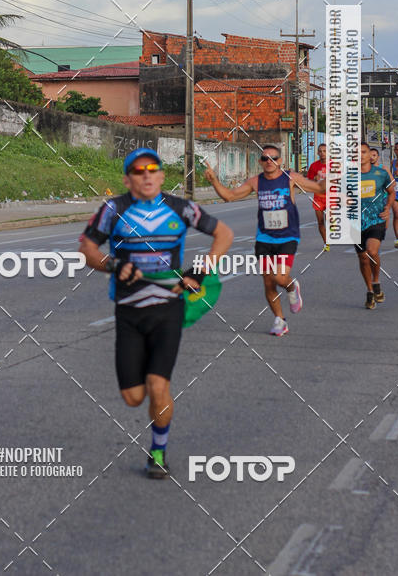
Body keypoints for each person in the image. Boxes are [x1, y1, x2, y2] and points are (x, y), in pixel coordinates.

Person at [79, 147, 233, 479]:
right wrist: (113, 265)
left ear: (162, 176)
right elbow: (88, 248)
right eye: (138, 170)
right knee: (134, 397)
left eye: (153, 169)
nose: (146, 175)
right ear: (127, 178)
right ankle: (152, 394)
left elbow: (224, 234)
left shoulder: (181, 208)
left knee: (158, 384)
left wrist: (201, 269)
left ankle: (158, 451)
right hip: (129, 311)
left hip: (168, 308)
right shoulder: (113, 209)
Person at [205, 145, 325, 337]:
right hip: (264, 238)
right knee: (268, 283)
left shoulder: (290, 178)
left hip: (287, 236)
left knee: (279, 277)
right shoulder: (256, 182)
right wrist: (214, 181)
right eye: (265, 158)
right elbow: (229, 196)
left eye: (273, 158)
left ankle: (292, 287)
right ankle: (279, 320)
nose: (269, 161)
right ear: (261, 162)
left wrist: (330, 178)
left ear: (280, 161)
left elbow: (319, 188)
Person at [356, 142, 395, 308]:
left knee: (371, 251)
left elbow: (391, 192)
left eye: (364, 152)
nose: (361, 155)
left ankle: (376, 280)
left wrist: (387, 208)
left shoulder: (380, 173)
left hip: (376, 219)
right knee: (363, 259)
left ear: (368, 154)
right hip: (356, 222)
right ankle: (370, 290)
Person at [307, 143, 329, 251]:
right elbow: (309, 180)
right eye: (320, 151)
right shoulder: (314, 166)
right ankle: (326, 243)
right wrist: (314, 179)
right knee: (320, 222)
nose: (323, 153)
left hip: (331, 197)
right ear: (317, 153)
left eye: (325, 151)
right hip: (318, 197)